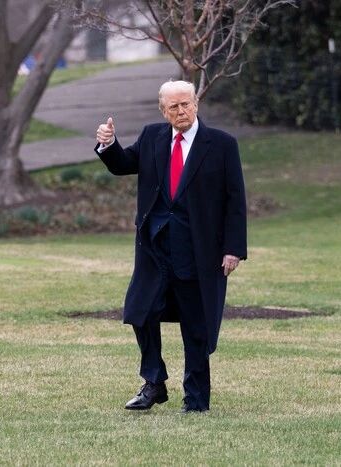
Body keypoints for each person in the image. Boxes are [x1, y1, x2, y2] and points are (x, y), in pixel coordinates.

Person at [94, 80, 247, 413]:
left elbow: (235, 200)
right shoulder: (153, 137)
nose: (182, 111)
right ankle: (154, 382)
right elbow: (123, 164)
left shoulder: (221, 144)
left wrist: (233, 249)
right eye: (174, 107)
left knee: (196, 326)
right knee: (140, 312)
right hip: (155, 246)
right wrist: (108, 145)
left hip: (199, 250)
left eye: (187, 104)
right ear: (163, 111)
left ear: (196, 104)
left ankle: (196, 400)